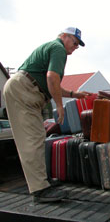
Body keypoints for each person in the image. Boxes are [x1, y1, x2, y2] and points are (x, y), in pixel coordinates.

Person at [3, 27, 91, 203]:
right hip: (25, 91)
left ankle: (42, 182)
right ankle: (40, 190)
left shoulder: (53, 48)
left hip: (24, 89)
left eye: (78, 45)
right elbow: (52, 78)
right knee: (32, 139)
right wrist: (59, 106)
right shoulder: (58, 48)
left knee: (37, 136)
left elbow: (52, 84)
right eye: (74, 42)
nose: (75, 47)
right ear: (63, 36)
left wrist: (74, 94)